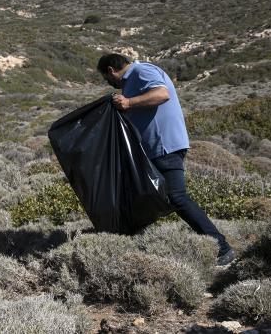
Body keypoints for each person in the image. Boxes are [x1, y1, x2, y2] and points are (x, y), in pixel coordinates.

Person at [97, 53, 236, 265]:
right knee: (147, 198)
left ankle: (222, 248)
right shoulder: (130, 83)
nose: (109, 83)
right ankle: (138, 247)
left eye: (107, 78)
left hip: (164, 147)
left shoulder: (142, 71)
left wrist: (129, 102)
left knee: (176, 197)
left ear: (111, 71)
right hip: (154, 151)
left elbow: (162, 94)